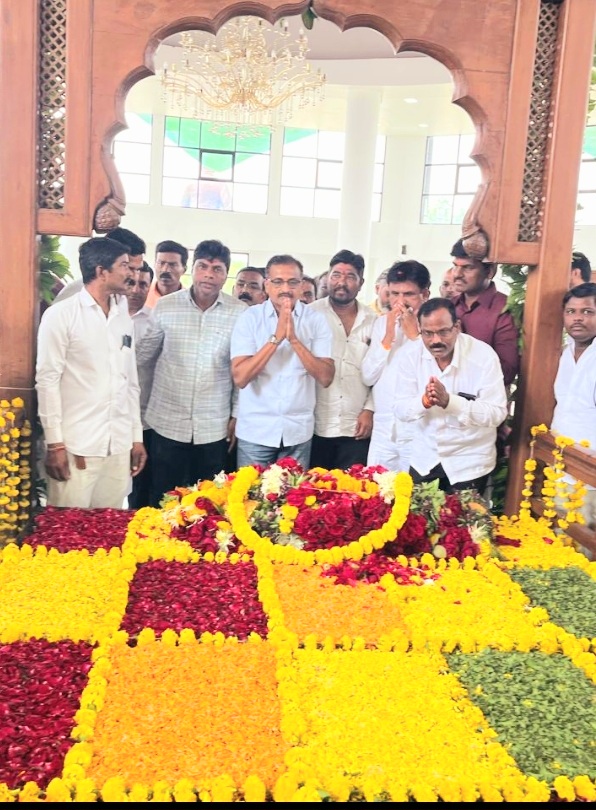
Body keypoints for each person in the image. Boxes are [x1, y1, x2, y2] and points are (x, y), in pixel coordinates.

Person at [35, 237, 146, 508]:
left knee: (110, 526)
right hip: (77, 445)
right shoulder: (62, 315)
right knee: (67, 528)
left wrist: (136, 438)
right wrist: (55, 444)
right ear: (101, 271)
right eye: (124, 266)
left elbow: (130, 382)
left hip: (118, 445)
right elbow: (47, 381)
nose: (132, 274)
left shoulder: (122, 315)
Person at [136, 239, 246, 505]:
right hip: (167, 421)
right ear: (192, 269)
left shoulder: (240, 313)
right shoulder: (166, 306)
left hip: (214, 425)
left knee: (209, 503)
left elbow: (240, 371)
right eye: (203, 266)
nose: (209, 274)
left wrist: (236, 413)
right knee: (163, 499)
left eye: (217, 269)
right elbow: (143, 359)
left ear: (226, 275)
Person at [394, 298, 508, 495]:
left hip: (469, 463)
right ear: (420, 329)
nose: (435, 340)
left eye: (443, 332)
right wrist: (424, 402)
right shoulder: (410, 355)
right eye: (428, 333)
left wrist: (450, 402)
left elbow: (496, 413)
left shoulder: (483, 356)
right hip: (425, 459)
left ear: (457, 327)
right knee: (415, 515)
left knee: (466, 517)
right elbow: (400, 409)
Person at [230, 254, 334, 469]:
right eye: (278, 282)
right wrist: (276, 338)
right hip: (256, 431)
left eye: (293, 282)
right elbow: (241, 377)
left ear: (301, 285)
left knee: (294, 492)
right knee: (249, 491)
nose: (286, 288)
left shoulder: (316, 320)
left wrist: (294, 340)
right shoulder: (249, 318)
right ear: (267, 285)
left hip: (298, 432)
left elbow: (326, 377)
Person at [309, 249, 377, 469]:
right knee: (313, 487)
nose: (342, 282)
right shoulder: (310, 315)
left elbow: (382, 372)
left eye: (350, 277)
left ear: (361, 283)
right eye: (336, 275)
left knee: (354, 487)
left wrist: (370, 409)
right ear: (328, 277)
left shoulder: (373, 321)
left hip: (356, 424)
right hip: (315, 424)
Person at [362, 260, 431, 471]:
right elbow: (368, 376)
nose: (400, 301)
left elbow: (435, 375)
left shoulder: (436, 325)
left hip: (418, 430)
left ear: (425, 294)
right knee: (375, 487)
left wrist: (415, 337)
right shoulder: (382, 323)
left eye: (408, 294)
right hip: (383, 429)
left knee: (415, 490)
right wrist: (388, 337)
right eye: (394, 294)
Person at [550, 282, 596, 546]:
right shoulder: (564, 352)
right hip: (559, 466)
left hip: (590, 476)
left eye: (587, 311)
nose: (577, 318)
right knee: (558, 544)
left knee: (584, 548)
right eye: (571, 311)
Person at [450, 237, 520, 387]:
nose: (457, 274)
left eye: (467, 268)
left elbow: (506, 373)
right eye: (455, 266)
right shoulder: (449, 306)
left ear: (490, 271)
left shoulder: (504, 310)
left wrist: (463, 345)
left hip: (483, 398)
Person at [52, 227, 146, 305]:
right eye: (128, 267)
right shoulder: (70, 301)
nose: (134, 276)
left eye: (138, 270)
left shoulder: (121, 300)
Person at [126, 260, 155, 509]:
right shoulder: (108, 317)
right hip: (110, 418)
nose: (136, 290)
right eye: (131, 283)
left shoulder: (154, 321)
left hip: (143, 417)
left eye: (143, 284)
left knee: (139, 486)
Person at [145, 240, 188, 308]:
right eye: (161, 263)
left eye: (172, 265)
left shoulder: (190, 301)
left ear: (184, 270)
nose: (165, 270)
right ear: (154, 264)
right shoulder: (141, 295)